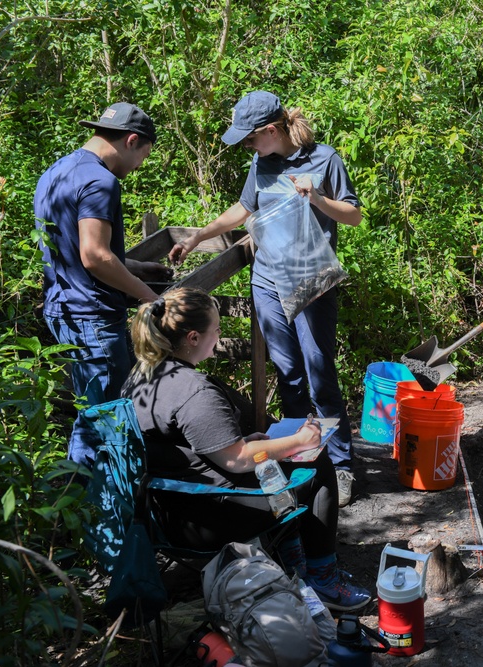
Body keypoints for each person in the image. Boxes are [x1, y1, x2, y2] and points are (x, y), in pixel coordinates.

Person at [121, 287, 371, 611]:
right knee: (316, 464)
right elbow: (237, 461)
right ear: (194, 337)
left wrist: (249, 443)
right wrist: (301, 441)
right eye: (216, 329)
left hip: (166, 511)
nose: (220, 334)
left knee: (278, 461)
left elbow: (192, 449)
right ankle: (324, 580)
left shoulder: (139, 379)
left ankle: (293, 564)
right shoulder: (194, 391)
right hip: (214, 519)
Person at [169, 91, 361, 506]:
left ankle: (342, 465)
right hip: (267, 280)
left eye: (250, 139)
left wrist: (317, 198)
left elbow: (353, 214)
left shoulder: (325, 159)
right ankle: (302, 456)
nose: (247, 148)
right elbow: (244, 208)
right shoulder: (261, 162)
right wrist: (200, 235)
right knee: (289, 372)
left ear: (270, 131)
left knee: (319, 371)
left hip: (311, 280)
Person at [35, 102, 173, 469]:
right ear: (132, 140)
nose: (140, 165)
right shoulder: (101, 181)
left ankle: (84, 508)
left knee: (92, 411)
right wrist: (151, 297)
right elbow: (94, 257)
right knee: (106, 420)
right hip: (93, 317)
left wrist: (139, 266)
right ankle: (101, 514)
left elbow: (74, 248)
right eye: (144, 155)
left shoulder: (57, 172)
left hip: (63, 309)